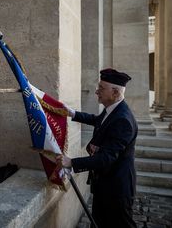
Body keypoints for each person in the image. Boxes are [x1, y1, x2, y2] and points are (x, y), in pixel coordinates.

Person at [56, 68, 138, 228]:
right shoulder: (113, 110)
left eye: (101, 88)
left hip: (116, 189)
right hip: (104, 183)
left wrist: (71, 162)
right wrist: (72, 113)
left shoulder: (123, 120)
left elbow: (107, 157)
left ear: (115, 93)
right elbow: (97, 120)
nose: (96, 91)